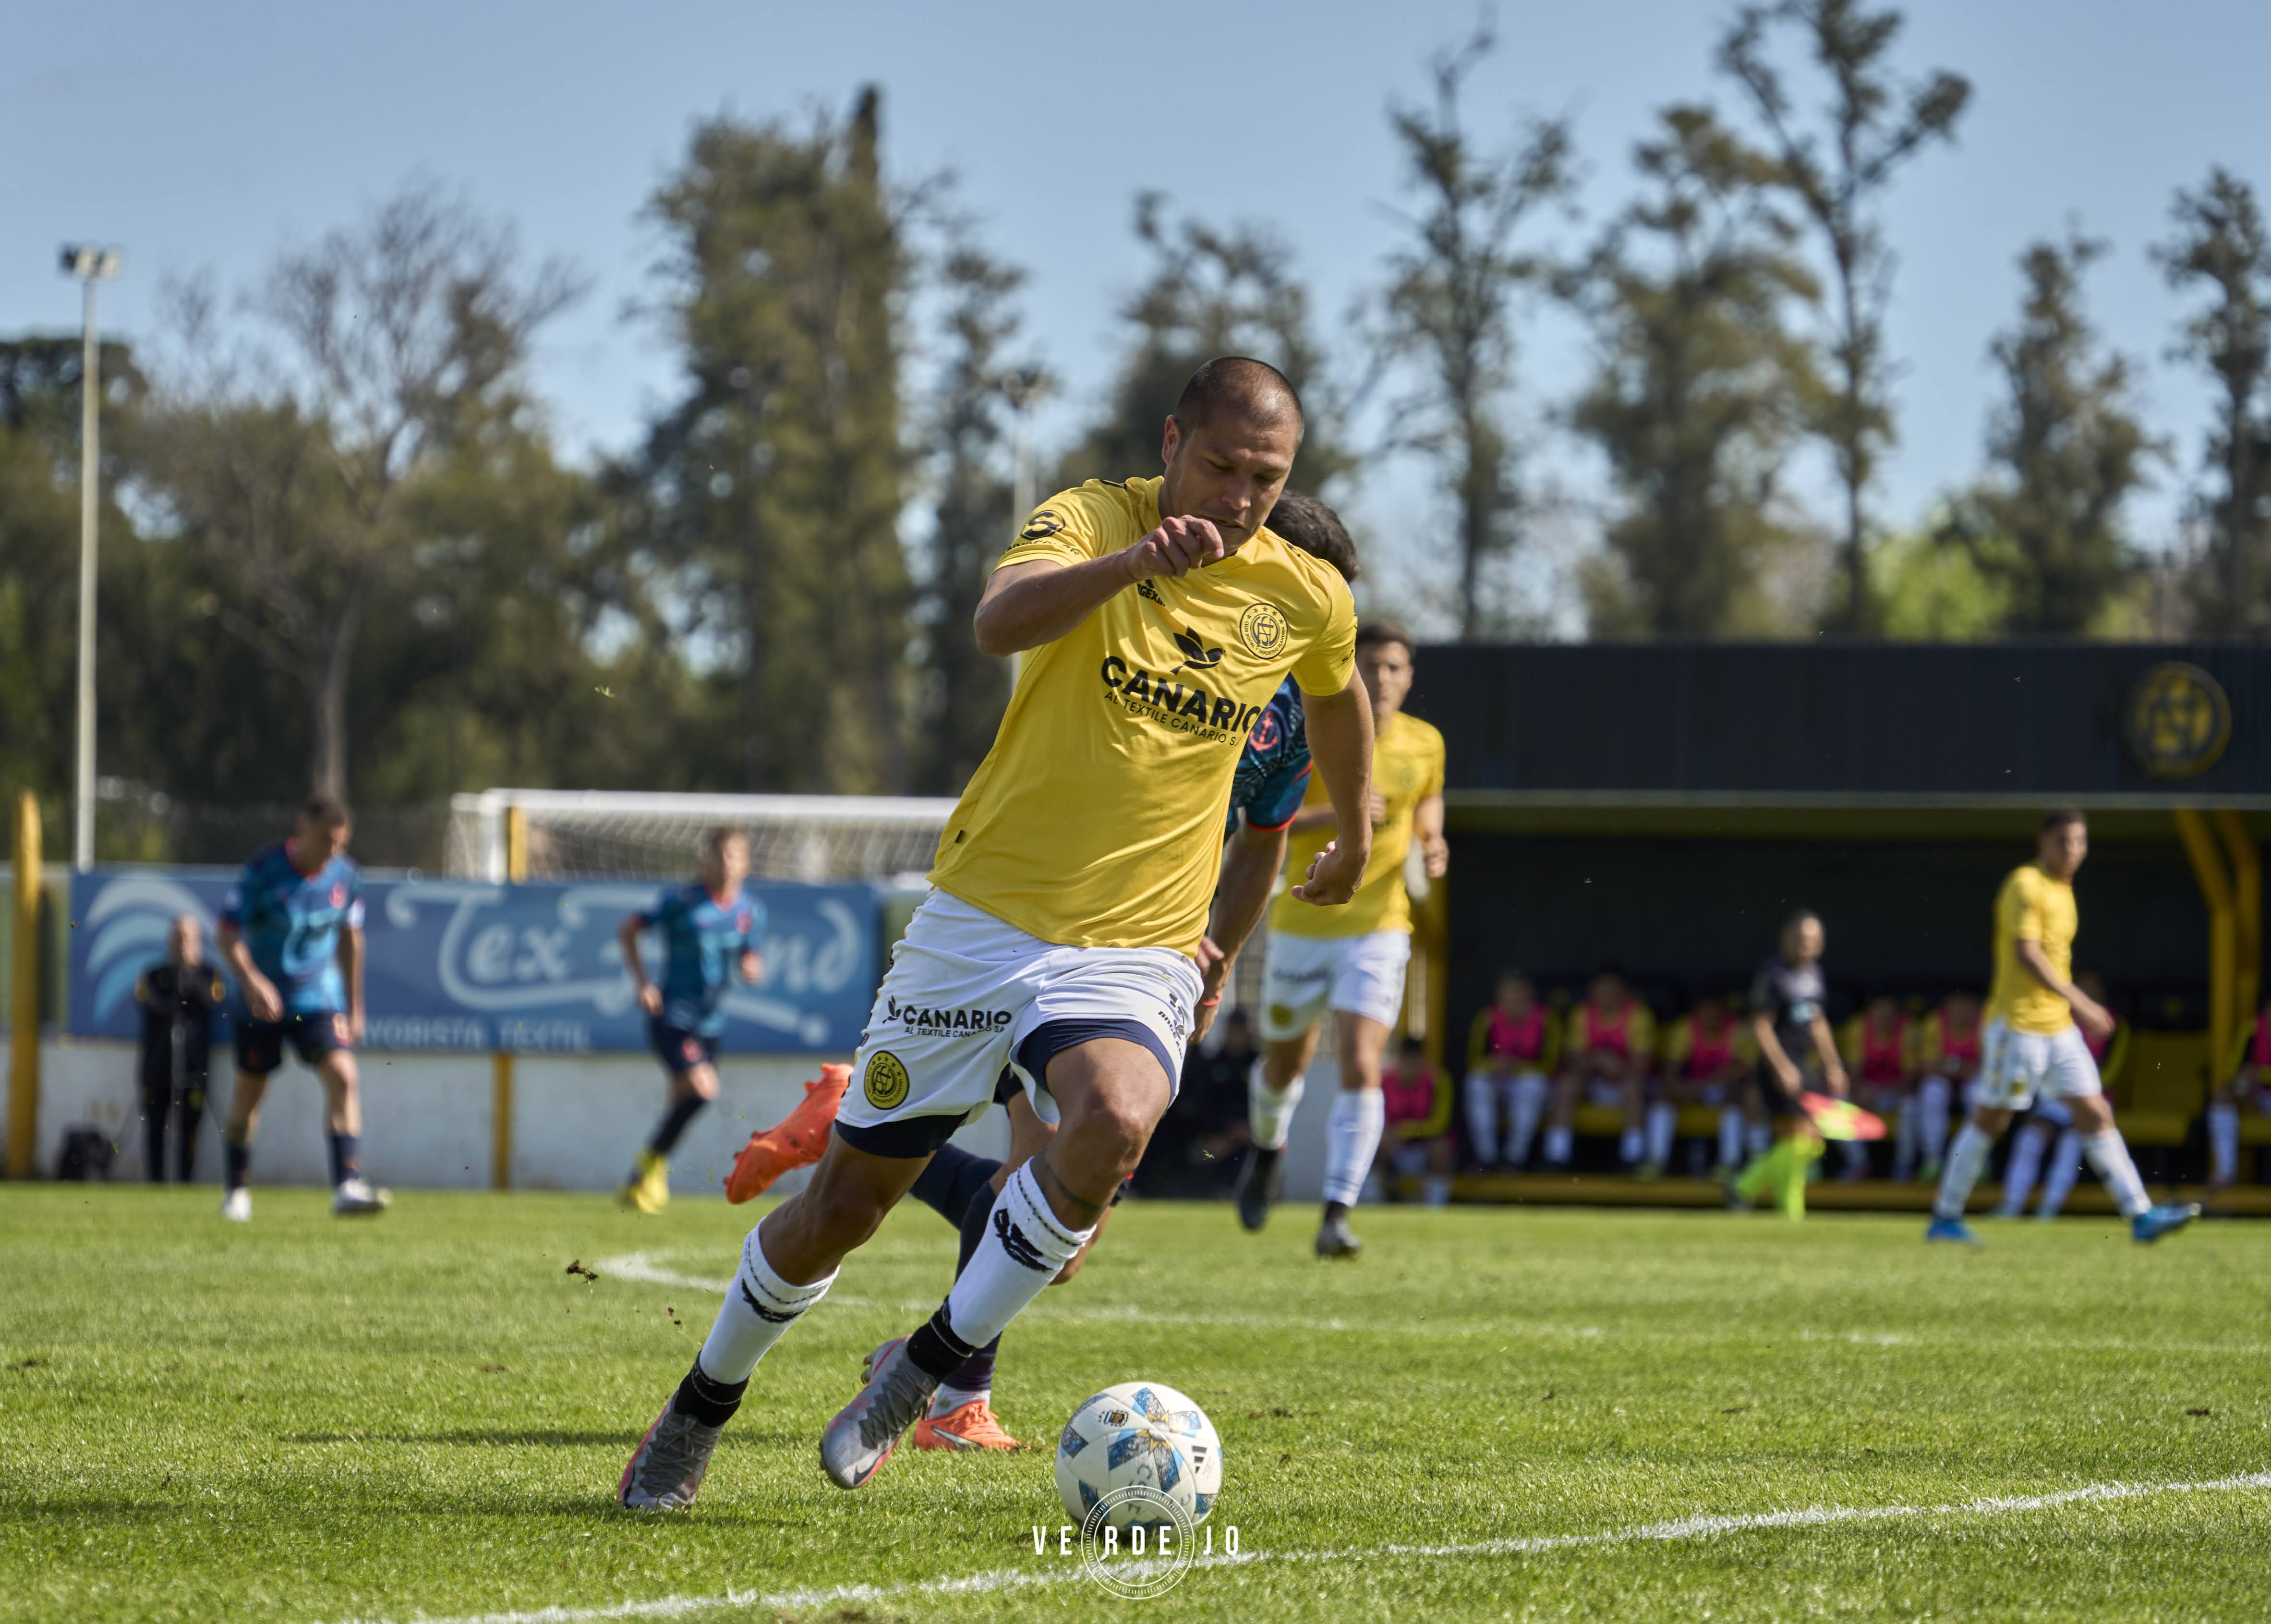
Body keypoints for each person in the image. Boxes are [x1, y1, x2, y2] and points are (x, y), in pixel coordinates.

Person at [617, 356, 1372, 1509]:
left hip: (1137, 945)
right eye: (1220, 465)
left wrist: (1358, 828)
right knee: (839, 1214)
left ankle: (924, 1369)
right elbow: (995, 623)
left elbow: (1338, 695)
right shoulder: (1092, 516)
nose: (1238, 496)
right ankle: (698, 1407)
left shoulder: (1303, 592)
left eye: (1264, 479)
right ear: (1171, 441)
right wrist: (1133, 563)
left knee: (1116, 1121)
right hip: (981, 923)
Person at [1238, 618, 1446, 1257]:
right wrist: (1342, 815)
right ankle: (1266, 1150)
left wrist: (1432, 838)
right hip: (1302, 924)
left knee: (1362, 1061)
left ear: (1408, 677)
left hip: (1378, 927)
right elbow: (1264, 814)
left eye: (1393, 668)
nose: (1381, 678)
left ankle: (1336, 1212)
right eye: (1371, 665)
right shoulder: (1312, 724)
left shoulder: (1425, 742)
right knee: (1284, 1066)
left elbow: (1427, 799)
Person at [1926, 809, 2199, 1246]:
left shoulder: (2064, 891)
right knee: (1992, 1120)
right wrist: (2083, 1003)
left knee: (2095, 1112)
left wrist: (2071, 1008)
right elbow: (2027, 953)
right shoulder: (2025, 884)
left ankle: (2141, 1215)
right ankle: (1945, 1216)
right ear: (2044, 842)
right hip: (2017, 1026)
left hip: (2058, 1030)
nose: (2072, 850)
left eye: (2079, 841)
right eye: (2063, 841)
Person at [215, 795, 386, 1220]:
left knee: (344, 1076)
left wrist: (356, 1006)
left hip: (318, 1000)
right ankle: (237, 1191)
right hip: (262, 1002)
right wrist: (252, 980)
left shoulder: (346, 877)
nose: (333, 851)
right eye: (327, 840)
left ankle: (347, 1185)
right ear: (303, 829)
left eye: (341, 844)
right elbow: (227, 934)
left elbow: (351, 938)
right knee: (251, 1092)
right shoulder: (264, 869)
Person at [616, 828, 767, 1214]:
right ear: (707, 858)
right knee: (704, 1090)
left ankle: (643, 1181)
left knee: (682, 1102)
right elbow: (629, 929)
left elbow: (750, 954)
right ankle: (649, 1165)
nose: (726, 863)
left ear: (746, 863)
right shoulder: (682, 901)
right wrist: (643, 984)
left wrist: (752, 966)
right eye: (719, 855)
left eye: (734, 855)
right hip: (672, 1018)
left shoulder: (749, 911)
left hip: (710, 1025)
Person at [1731, 910, 1848, 1218]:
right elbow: (1761, 1026)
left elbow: (1818, 1022)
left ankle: (1782, 1205)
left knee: (1808, 1141)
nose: (1804, 945)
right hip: (1779, 1068)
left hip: (1804, 1066)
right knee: (1801, 1139)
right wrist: (1782, 1067)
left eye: (1811, 940)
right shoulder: (1773, 974)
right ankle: (1747, 1187)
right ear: (1785, 940)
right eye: (1799, 938)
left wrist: (1833, 1064)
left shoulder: (1815, 975)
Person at [1997, 971, 2126, 1218]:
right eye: (2082, 989)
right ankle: (2012, 1205)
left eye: (2093, 990)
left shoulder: (2114, 1023)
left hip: (2094, 1102)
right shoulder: (2060, 1022)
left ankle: (2049, 1208)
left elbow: (2110, 1072)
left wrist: (2077, 1094)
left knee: (2072, 1143)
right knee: (2030, 1137)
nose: (2087, 995)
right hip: (2056, 1100)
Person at [133, 914, 226, 1184]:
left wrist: (190, 971)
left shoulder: (209, 975)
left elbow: (210, 1002)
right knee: (155, 1128)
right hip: (156, 1067)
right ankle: (155, 1182)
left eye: (187, 938)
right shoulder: (153, 975)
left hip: (194, 1069)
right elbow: (150, 1004)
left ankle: (186, 1181)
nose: (182, 944)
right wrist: (177, 975)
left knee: (190, 1130)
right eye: (177, 938)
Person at [1542, 970, 1655, 1172]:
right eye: (1602, 991)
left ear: (1624, 993)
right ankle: (1556, 1156)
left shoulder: (1638, 1015)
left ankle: (1632, 1157)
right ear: (1593, 992)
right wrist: (1597, 1060)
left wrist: (1615, 1067)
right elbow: (1572, 1062)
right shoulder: (1582, 1014)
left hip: (1625, 1083)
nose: (1607, 996)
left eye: (1613, 991)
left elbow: (1641, 1066)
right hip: (1592, 1081)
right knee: (1567, 1083)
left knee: (1633, 1085)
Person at [1649, 992, 1752, 1179]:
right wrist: (1684, 1087)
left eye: (1714, 1010)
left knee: (1740, 1094)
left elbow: (1744, 1069)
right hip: (1694, 1087)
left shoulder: (1738, 1029)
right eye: (1705, 1010)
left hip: (1724, 1088)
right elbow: (1671, 1070)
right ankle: (1656, 1161)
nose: (1710, 1015)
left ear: (1723, 1012)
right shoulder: (1686, 1027)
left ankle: (1729, 1162)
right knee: (1665, 1094)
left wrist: (1709, 1084)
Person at [1463, 970, 1559, 1170]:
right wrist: (1494, 1065)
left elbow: (1552, 1064)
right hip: (1499, 1081)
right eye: (1509, 996)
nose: (1514, 1001)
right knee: (1476, 1083)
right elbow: (1474, 1060)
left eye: (1519, 995)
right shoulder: (1487, 1019)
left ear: (1530, 995)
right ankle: (1486, 1156)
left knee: (1531, 1085)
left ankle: (1514, 1158)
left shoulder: (1546, 1020)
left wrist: (1517, 1066)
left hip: (1534, 1085)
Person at [1843, 994, 1921, 1180]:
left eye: (1889, 1014)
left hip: (1896, 1092)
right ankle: (1858, 1164)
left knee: (1910, 1106)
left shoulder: (1909, 1028)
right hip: (1868, 1090)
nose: (1883, 1019)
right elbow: (1853, 1072)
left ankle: (1904, 1166)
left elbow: (1910, 1077)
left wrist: (1882, 1093)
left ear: (1897, 1015)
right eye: (1878, 1013)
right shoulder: (1858, 1027)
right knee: (1840, 1102)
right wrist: (1860, 1091)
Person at [1375, 1035, 1455, 1205]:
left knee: (1441, 1149)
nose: (1412, 1067)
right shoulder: (1383, 1082)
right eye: (1407, 1060)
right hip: (1393, 1147)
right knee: (1372, 1147)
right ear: (1399, 1060)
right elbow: (1375, 1118)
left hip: (1423, 1147)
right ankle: (1371, 1203)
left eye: (1416, 1060)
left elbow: (1440, 1123)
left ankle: (1436, 1207)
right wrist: (1387, 1135)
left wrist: (1404, 1132)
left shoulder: (1438, 1081)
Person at [1914, 990, 1984, 1182]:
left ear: (1975, 1008)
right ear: (1948, 1007)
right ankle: (1932, 1160)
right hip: (1943, 1083)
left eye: (1967, 1005)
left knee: (1977, 1092)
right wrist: (1963, 1068)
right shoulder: (1935, 1023)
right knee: (1932, 1090)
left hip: (1970, 1084)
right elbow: (1928, 1067)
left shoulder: (1984, 1024)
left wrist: (1950, 1066)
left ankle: (1979, 1162)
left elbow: (1987, 1068)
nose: (1962, 1011)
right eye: (1957, 1005)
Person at [2208, 992, 2271, 1191]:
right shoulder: (2252, 1029)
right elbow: (2232, 1070)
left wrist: (2262, 1074)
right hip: (2259, 1098)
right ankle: (2225, 1173)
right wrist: (2244, 1079)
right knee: (2223, 1097)